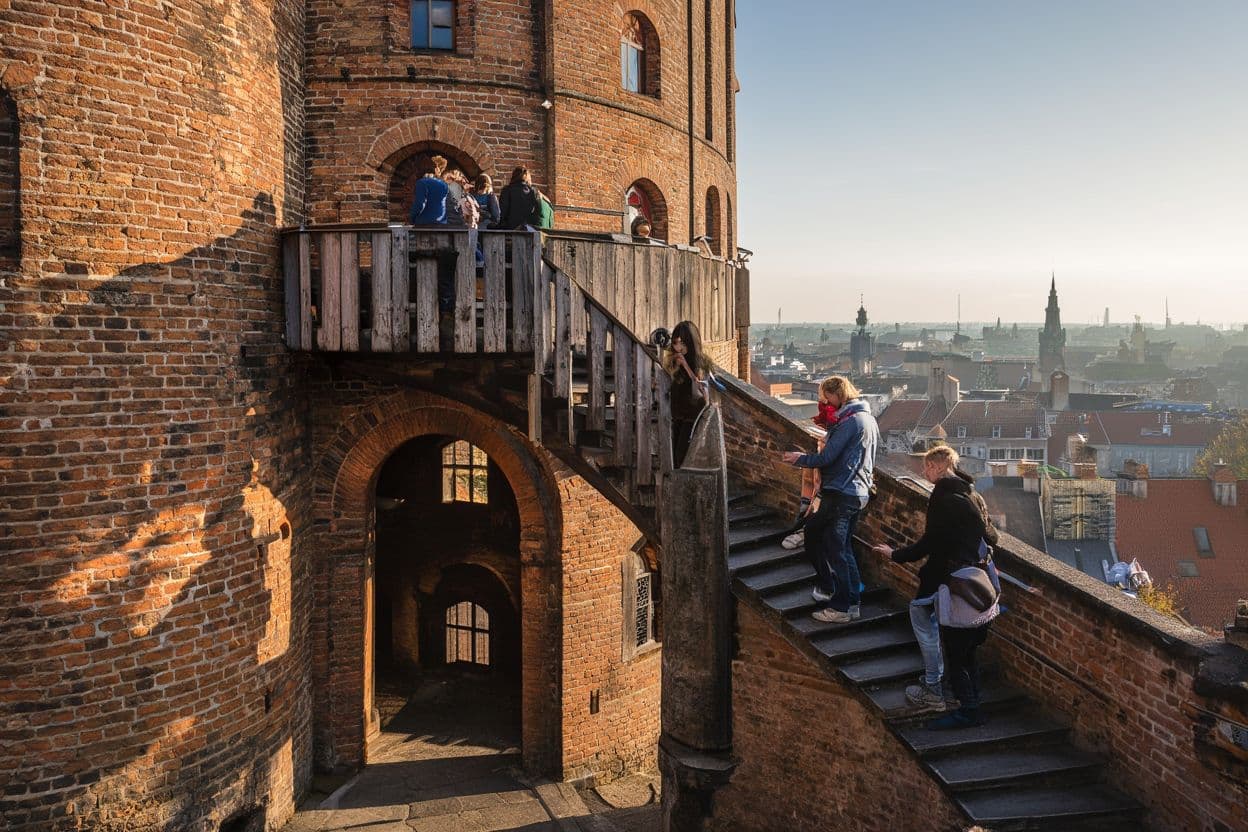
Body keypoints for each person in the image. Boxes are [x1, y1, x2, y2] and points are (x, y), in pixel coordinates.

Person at [871, 445, 998, 729]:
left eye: (926, 467)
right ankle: (969, 702)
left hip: (950, 582)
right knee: (967, 651)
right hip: (979, 581)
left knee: (949, 644)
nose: (923, 472)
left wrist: (895, 554)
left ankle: (949, 699)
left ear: (937, 467)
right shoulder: (972, 494)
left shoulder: (944, 498)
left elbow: (930, 542)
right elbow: (992, 536)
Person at [782, 376, 879, 624]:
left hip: (842, 492)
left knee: (831, 546)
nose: (825, 403)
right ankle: (851, 602)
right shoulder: (867, 418)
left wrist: (800, 459)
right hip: (856, 492)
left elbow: (827, 458)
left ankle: (839, 603)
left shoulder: (850, 422)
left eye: (827, 398)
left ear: (839, 395)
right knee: (841, 547)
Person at [664, 320, 712, 467]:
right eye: (675, 343)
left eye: (683, 343)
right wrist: (675, 366)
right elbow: (668, 379)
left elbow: (701, 387)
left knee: (682, 454)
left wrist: (685, 365)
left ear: (691, 343)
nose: (678, 348)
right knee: (672, 454)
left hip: (692, 415)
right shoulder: (673, 359)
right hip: (676, 414)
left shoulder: (700, 362)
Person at [408, 155, 449, 225]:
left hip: (424, 222)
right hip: (442, 222)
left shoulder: (422, 182)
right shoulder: (444, 184)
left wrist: (412, 219)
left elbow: (419, 204)